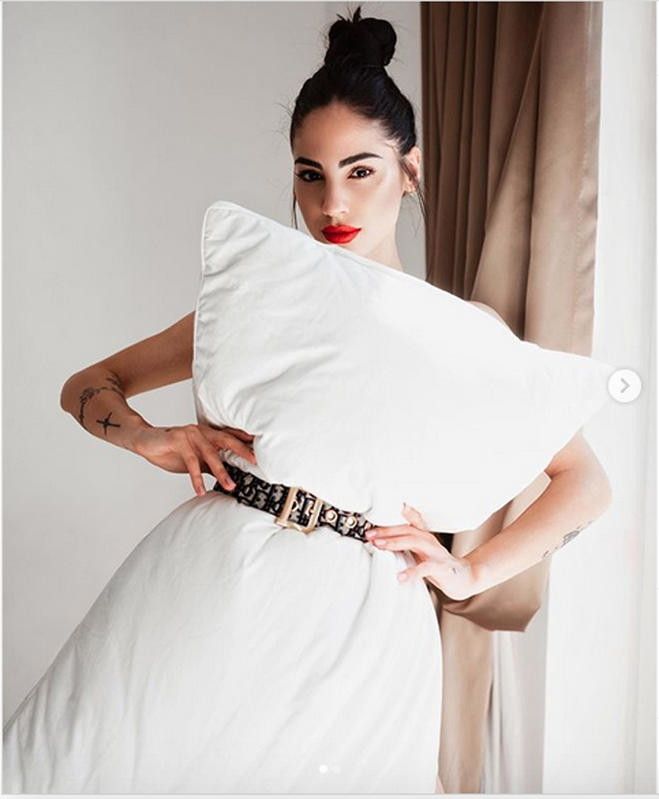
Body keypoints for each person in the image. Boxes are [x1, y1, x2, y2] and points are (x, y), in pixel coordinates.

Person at [3, 6, 456, 793]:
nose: (332, 204)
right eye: (309, 174)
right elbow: (87, 385)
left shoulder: (453, 330)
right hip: (214, 583)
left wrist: (469, 570)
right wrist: (147, 436)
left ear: (408, 168)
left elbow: (580, 478)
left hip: (366, 623)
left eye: (360, 171)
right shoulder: (251, 305)